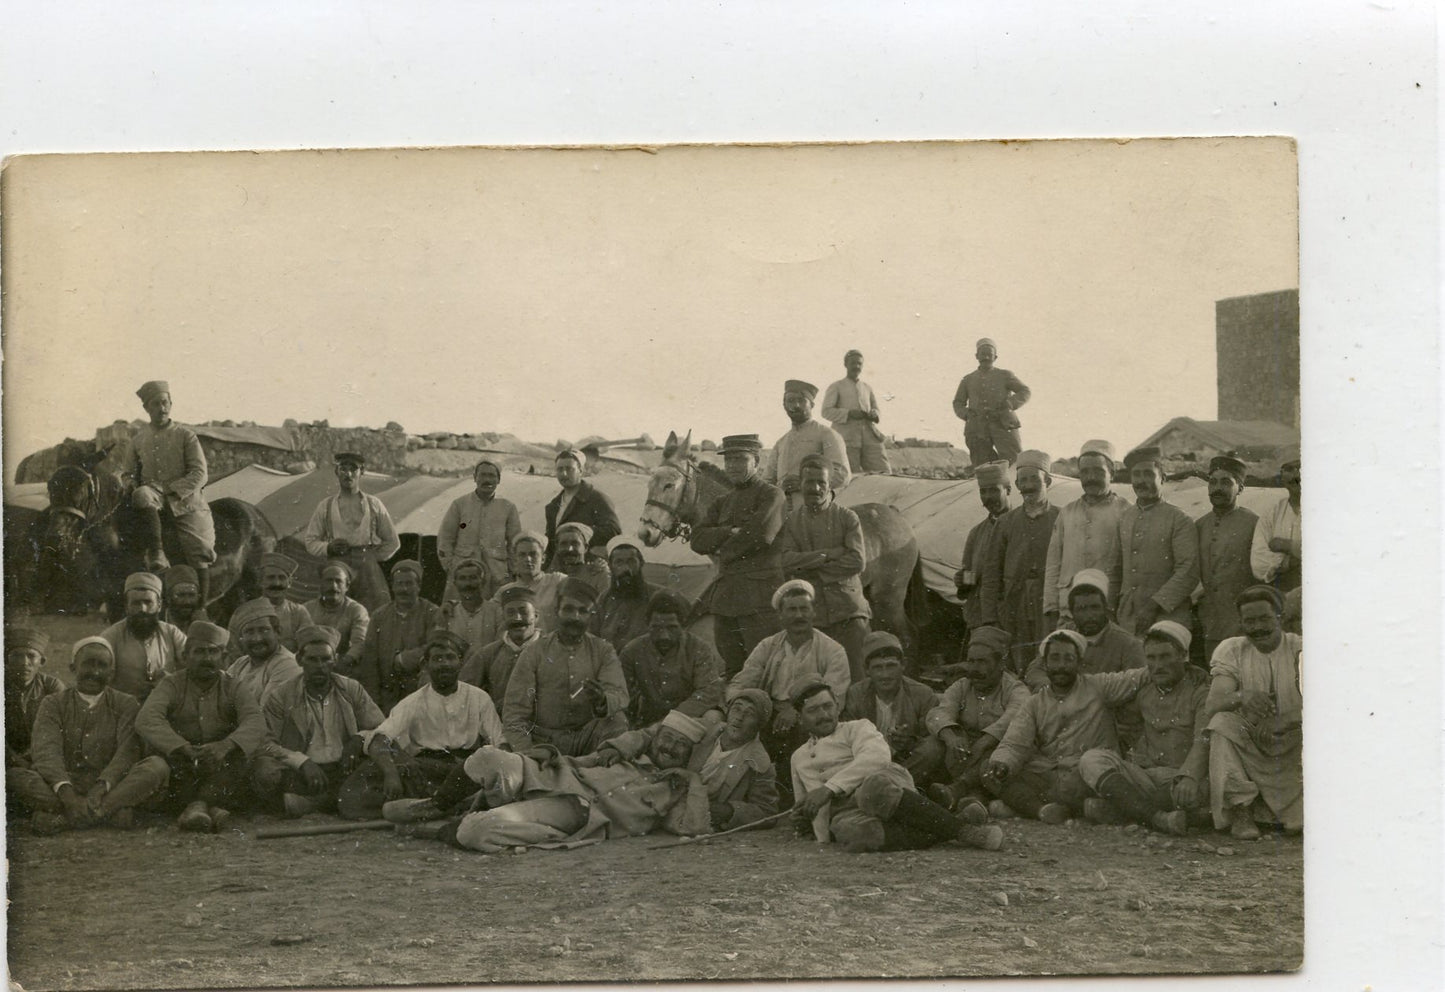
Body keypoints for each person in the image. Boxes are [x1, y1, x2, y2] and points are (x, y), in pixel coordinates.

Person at [417, 710, 717, 852]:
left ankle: (450, 827)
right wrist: (545, 754)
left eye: (681, 746)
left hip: (576, 810)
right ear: (655, 739)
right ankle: (438, 805)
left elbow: (695, 828)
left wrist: (693, 777)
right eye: (667, 738)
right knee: (488, 758)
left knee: (476, 830)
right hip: (557, 776)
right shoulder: (626, 753)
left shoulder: (676, 790)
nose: (669, 748)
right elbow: (578, 761)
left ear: (689, 755)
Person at [790, 680, 1003, 853]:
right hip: (848, 808)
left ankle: (965, 832)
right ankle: (955, 821)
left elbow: (877, 757)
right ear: (800, 719)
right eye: (813, 710)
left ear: (837, 706)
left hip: (885, 786)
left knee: (872, 789)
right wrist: (807, 823)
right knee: (852, 833)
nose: (824, 715)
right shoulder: (798, 757)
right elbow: (805, 802)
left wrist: (829, 789)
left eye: (827, 706)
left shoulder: (857, 728)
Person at [983, 628, 1148, 823]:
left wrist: (1184, 666)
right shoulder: (1035, 703)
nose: (1061, 665)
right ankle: (1043, 809)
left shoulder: (1099, 687)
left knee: (1074, 783)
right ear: (1045, 664)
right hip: (1049, 772)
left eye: (1068, 659)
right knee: (988, 769)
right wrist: (1003, 763)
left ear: (1079, 663)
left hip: (1084, 772)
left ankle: (1025, 806)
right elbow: (1015, 742)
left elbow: (1139, 676)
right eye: (1055, 658)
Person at [336, 629, 504, 820]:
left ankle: (428, 807)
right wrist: (391, 773)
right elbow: (379, 739)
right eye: (438, 659)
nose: (445, 665)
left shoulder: (479, 698)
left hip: (463, 770)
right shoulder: (414, 701)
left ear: (460, 662)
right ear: (425, 664)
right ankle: (447, 806)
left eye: (450, 658)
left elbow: (498, 740)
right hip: (424, 770)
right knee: (355, 791)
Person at [8, 637, 170, 834]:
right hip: (63, 785)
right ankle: (108, 813)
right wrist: (68, 794)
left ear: (111, 673)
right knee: (14, 776)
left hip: (109, 786)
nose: (94, 672)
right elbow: (46, 752)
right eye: (87, 664)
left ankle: (68, 818)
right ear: (73, 668)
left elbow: (127, 753)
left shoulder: (126, 703)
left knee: (156, 766)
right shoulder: (53, 703)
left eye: (102, 666)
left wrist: (99, 789)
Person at [1076, 621, 1210, 835]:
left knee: (1202, 792)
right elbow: (1100, 691)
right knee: (1091, 759)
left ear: (1183, 656)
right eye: (1151, 658)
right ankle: (1157, 818)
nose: (1158, 665)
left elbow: (1204, 739)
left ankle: (1124, 810)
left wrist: (1190, 776)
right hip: (1147, 776)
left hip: (1181, 779)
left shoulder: (1200, 691)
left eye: (1165, 656)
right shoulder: (1143, 689)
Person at [134, 621, 266, 832]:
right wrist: (182, 747)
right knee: (164, 764)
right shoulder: (171, 684)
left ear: (223, 657)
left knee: (242, 758)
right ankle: (210, 807)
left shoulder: (234, 686)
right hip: (182, 761)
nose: (207, 659)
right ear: (185, 656)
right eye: (199, 652)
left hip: (219, 761)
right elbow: (147, 719)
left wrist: (225, 746)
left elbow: (255, 721)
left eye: (213, 652)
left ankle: (198, 807)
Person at [725, 579, 851, 799]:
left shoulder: (833, 650)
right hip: (770, 710)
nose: (799, 616)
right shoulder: (768, 646)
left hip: (810, 712)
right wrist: (735, 704)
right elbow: (744, 680)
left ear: (814, 612)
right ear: (780, 616)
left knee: (805, 732)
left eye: (804, 609)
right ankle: (749, 792)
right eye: (791, 610)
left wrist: (797, 710)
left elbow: (835, 693)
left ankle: (794, 795)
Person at [251, 625, 386, 817]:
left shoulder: (351, 689)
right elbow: (265, 743)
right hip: (302, 773)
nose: (320, 666)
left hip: (345, 768)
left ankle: (311, 804)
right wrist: (302, 762)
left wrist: (359, 738)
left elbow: (380, 727)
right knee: (264, 770)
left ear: (335, 661)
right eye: (313, 660)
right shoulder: (281, 695)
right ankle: (333, 802)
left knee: (378, 766)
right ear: (299, 660)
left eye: (325, 659)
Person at [595, 694, 779, 832]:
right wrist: (619, 746)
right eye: (737, 709)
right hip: (661, 782)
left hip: (689, 809)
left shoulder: (759, 763)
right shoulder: (707, 728)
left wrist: (729, 811)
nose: (739, 717)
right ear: (728, 712)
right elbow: (653, 732)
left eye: (750, 714)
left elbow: (767, 811)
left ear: (759, 724)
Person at [1204, 585, 1302, 839]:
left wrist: (1285, 720)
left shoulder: (1300, 648)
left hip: (1295, 746)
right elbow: (1213, 704)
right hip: (1256, 742)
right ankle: (1242, 811)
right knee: (1221, 723)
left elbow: (1330, 705)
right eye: (1250, 621)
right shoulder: (1233, 649)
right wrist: (1242, 696)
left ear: (1279, 617)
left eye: (1264, 618)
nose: (1257, 627)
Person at [689, 434, 786, 676]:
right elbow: (697, 540)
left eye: (740, 459)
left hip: (760, 597)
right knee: (733, 666)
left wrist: (721, 548)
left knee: (765, 666)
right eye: (728, 460)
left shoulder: (772, 495)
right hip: (726, 599)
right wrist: (729, 531)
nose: (732, 466)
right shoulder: (723, 502)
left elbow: (760, 535)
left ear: (757, 461)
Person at [501, 577, 629, 756]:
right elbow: (515, 712)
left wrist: (602, 701)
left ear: (590, 616)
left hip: (587, 738)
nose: (575, 617)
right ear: (556, 611)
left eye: (582, 611)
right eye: (568, 609)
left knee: (617, 720)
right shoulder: (534, 652)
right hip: (543, 743)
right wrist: (527, 753)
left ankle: (595, 767)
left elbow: (620, 694)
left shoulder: (603, 650)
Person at [776, 453, 872, 678]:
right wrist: (828, 555)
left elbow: (856, 561)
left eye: (822, 482)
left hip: (849, 611)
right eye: (810, 482)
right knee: (813, 678)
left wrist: (810, 567)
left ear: (830, 486)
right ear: (801, 484)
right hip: (813, 615)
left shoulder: (847, 518)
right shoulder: (792, 521)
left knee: (857, 676)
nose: (816, 488)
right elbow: (786, 561)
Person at [924, 626, 1030, 823]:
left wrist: (986, 740)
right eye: (971, 661)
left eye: (982, 662)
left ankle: (957, 792)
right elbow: (940, 712)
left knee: (994, 757)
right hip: (961, 751)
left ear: (1000, 664)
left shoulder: (1015, 689)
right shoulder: (962, 686)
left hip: (994, 752)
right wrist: (950, 735)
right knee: (931, 745)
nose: (974, 669)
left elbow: (1016, 717)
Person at [128, 380, 216, 604]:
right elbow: (127, 472)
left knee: (199, 549)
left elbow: (199, 473)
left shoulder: (186, 436)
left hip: (185, 500)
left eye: (165, 403)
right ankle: (157, 553)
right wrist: (129, 483)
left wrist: (170, 490)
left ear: (171, 404)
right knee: (141, 495)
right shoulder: (137, 440)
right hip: (152, 498)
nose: (162, 408)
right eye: (156, 404)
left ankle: (202, 605)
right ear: (147, 408)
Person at [979, 450, 1059, 669]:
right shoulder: (1005, 523)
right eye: (1023, 480)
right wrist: (990, 617)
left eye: (1034, 478)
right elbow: (991, 572)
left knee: (1049, 656)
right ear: (1016, 484)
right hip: (1015, 604)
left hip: (1049, 604)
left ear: (1048, 481)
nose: (1028, 485)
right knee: (1018, 661)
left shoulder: (1062, 519)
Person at [1116, 446, 1200, 636]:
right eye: (1136, 475)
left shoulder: (1179, 519)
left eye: (1148, 474)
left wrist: (1155, 605)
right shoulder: (1125, 518)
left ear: (1162, 478)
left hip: (1168, 617)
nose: (1141, 481)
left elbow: (1189, 571)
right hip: (1129, 619)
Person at [302, 452, 400, 613]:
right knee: (335, 612)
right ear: (336, 472)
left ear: (362, 472)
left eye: (353, 469)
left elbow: (392, 542)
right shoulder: (325, 506)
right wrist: (328, 548)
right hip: (337, 567)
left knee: (375, 612)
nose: (348, 474)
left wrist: (370, 557)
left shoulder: (374, 504)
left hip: (367, 571)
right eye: (343, 469)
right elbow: (311, 541)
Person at [1043, 440, 1126, 626]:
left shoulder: (1125, 511)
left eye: (1098, 471)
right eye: (1085, 472)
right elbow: (1053, 564)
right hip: (1068, 611)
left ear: (1111, 473)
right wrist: (1050, 607)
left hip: (1108, 609)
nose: (1091, 477)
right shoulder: (1067, 512)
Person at [618, 589, 725, 729]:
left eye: (672, 628)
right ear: (647, 623)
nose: (664, 636)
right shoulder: (631, 651)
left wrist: (670, 720)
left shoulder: (699, 649)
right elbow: (621, 693)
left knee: (713, 717)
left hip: (688, 718)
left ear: (683, 625)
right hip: (649, 720)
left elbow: (708, 693)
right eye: (656, 628)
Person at [840, 632, 940, 782]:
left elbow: (929, 739)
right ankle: (895, 784)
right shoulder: (856, 694)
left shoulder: (922, 694)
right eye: (878, 668)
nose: (885, 675)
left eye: (891, 666)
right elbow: (847, 737)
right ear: (867, 670)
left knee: (934, 747)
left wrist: (909, 742)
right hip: (867, 761)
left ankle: (889, 783)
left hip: (908, 763)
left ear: (903, 665)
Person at [1195, 454, 1261, 660]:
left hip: (1242, 622)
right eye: (1212, 482)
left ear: (1240, 488)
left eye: (1226, 482)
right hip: (1210, 622)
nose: (1217, 488)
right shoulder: (1199, 525)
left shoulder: (1254, 523)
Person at [358, 559, 440, 713]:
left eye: (409, 584)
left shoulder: (432, 613)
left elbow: (435, 647)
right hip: (388, 695)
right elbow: (370, 660)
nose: (404, 589)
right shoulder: (379, 616)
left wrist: (405, 659)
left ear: (419, 586)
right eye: (399, 584)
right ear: (392, 587)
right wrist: (374, 702)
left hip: (419, 694)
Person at [436, 459, 521, 601]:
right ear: (475, 478)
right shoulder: (459, 505)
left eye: (492, 476)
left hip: (497, 575)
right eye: (482, 475)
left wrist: (511, 571)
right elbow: (445, 539)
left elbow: (515, 543)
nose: (487, 480)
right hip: (463, 573)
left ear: (498, 480)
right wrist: (452, 567)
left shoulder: (508, 507)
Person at [763, 379, 851, 513]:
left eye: (801, 400)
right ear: (784, 405)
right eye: (791, 401)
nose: (796, 405)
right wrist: (781, 486)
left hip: (817, 511)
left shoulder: (827, 434)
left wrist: (806, 483)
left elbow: (842, 474)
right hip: (781, 512)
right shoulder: (781, 443)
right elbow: (767, 480)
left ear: (812, 404)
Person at [100, 571, 188, 702]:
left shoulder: (171, 633)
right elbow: (100, 681)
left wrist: (171, 681)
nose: (143, 609)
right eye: (136, 603)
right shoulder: (110, 637)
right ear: (126, 606)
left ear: (159, 605)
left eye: (148, 602)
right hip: (124, 710)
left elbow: (193, 665)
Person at [950, 339, 1030, 467]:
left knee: (1014, 463)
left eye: (989, 354)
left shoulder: (1005, 375)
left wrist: (1010, 404)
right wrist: (967, 414)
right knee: (983, 467)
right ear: (976, 356)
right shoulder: (968, 380)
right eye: (982, 354)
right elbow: (958, 403)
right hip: (977, 428)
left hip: (1004, 425)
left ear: (995, 357)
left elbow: (1024, 391)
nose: (986, 357)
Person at [955, 460, 1010, 633]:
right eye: (983, 492)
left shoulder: (1019, 526)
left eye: (994, 490)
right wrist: (963, 579)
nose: (988, 497)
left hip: (1010, 616)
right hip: (980, 618)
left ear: (1008, 490)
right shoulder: (976, 533)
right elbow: (971, 576)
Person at [459, 582, 540, 700]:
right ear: (503, 617)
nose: (517, 618)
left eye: (523, 611)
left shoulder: (551, 650)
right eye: (510, 612)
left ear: (536, 616)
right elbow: (464, 691)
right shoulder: (488, 654)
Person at [543, 448, 621, 570]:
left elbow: (613, 530)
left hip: (590, 567)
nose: (564, 474)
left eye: (569, 469)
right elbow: (551, 540)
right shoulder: (553, 505)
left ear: (581, 470)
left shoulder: (597, 498)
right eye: (560, 469)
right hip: (560, 567)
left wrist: (581, 534)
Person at [5, 625, 65, 777]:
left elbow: (60, 729)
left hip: (44, 756)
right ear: (6, 659)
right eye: (17, 656)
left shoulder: (52, 686)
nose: (24, 662)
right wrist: (20, 762)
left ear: (42, 661)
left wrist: (37, 760)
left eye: (31, 656)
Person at [226, 552, 311, 659]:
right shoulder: (244, 611)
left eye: (282, 578)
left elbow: (307, 645)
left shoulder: (298, 612)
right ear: (261, 581)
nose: (276, 583)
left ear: (289, 582)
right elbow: (233, 648)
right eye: (271, 578)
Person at [822, 349, 892, 475]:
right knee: (849, 476)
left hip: (870, 437)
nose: (856, 366)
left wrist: (874, 413)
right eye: (853, 363)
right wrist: (848, 413)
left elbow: (876, 408)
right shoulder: (836, 386)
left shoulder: (867, 388)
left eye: (859, 364)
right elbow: (826, 411)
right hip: (846, 439)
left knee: (883, 472)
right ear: (845, 364)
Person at [590, 536, 663, 654]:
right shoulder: (604, 600)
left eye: (631, 561)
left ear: (641, 563)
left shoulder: (658, 596)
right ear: (610, 566)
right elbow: (591, 637)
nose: (625, 568)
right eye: (619, 562)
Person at [224, 599, 302, 708]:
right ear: (241, 638)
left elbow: (266, 715)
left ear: (278, 632)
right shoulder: (240, 664)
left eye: (263, 630)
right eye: (249, 632)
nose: (257, 639)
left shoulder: (287, 665)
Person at [304, 560, 371, 678]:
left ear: (347, 586)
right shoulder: (306, 608)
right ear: (321, 585)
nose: (333, 586)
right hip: (310, 666)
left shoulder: (356, 610)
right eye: (328, 581)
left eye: (338, 581)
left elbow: (360, 643)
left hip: (342, 667)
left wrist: (343, 662)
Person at [1251, 451, 1302, 593]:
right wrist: (1295, 560)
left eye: (1301, 468)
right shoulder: (1272, 514)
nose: (1295, 476)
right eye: (1289, 469)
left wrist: (1286, 545)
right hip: (1282, 596)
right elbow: (1258, 563)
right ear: (1281, 475)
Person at [501, 532, 567, 634]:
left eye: (533, 554)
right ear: (515, 559)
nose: (528, 559)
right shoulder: (505, 591)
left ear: (543, 558)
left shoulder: (557, 581)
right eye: (522, 555)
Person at [439, 557, 505, 652]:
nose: (468, 584)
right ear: (455, 583)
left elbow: (500, 646)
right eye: (462, 578)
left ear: (483, 582)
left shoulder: (496, 612)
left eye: (473, 578)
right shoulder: (448, 612)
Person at [554, 521, 613, 596]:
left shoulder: (598, 575)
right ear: (557, 548)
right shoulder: (552, 578)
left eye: (575, 543)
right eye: (564, 544)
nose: (569, 549)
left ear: (585, 547)